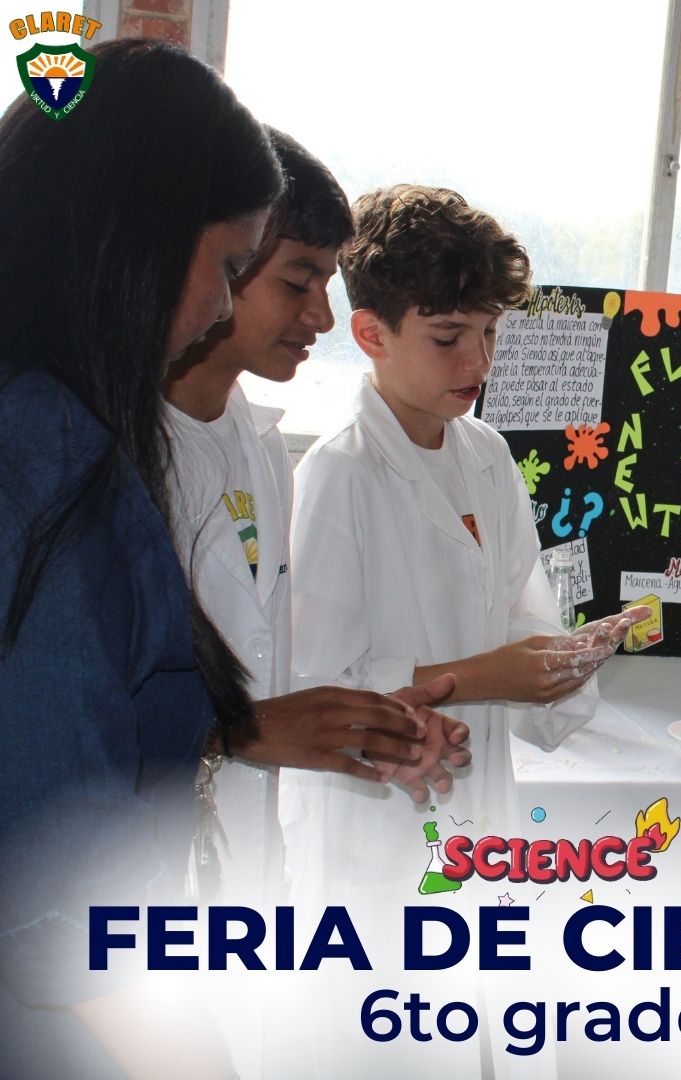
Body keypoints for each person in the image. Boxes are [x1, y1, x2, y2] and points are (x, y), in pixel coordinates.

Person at [0, 42, 418, 1079]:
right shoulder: (48, 463)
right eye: (232, 268)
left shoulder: (62, 432)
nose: (222, 308)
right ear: (134, 240)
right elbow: (58, 903)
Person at [280, 184, 645, 901]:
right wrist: (487, 677)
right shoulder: (339, 472)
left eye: (490, 334)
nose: (477, 363)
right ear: (371, 335)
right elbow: (320, 691)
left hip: (477, 806)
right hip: (372, 820)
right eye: (448, 338)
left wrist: (563, 661)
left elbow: (519, 620)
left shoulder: (486, 455)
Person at [163, 131, 470, 914]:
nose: (321, 316)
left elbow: (265, 668)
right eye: (297, 281)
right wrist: (245, 731)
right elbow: (79, 709)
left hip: (244, 865)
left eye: (327, 283)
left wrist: (370, 727)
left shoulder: (259, 445)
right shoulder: (117, 451)